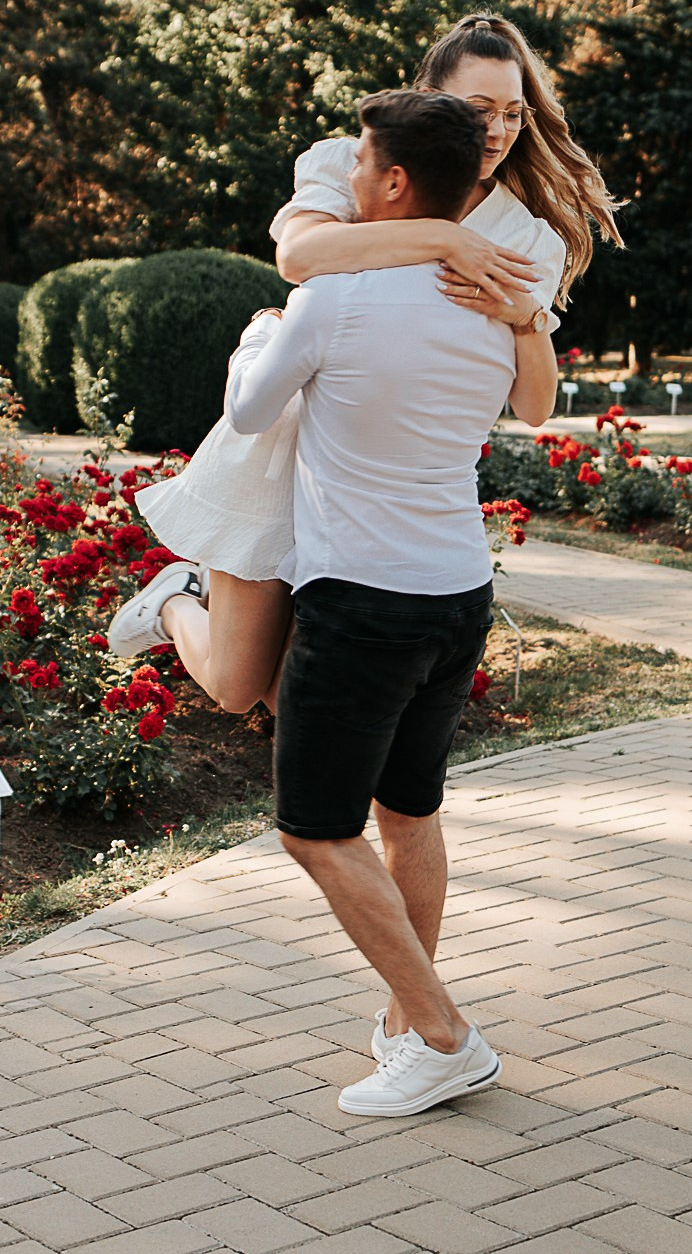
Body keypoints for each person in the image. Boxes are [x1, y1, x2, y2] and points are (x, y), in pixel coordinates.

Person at [113, 15, 622, 726]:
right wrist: (445, 235)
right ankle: (173, 600)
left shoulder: (525, 233)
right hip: (282, 448)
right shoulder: (349, 164)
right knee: (235, 684)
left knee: (305, 709)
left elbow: (532, 404)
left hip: (373, 490)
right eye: (479, 112)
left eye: (514, 113)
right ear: (432, 104)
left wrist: (525, 315)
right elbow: (299, 258)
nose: (500, 131)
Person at [224, 87, 516, 1114]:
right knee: (409, 810)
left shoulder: (332, 300)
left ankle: (440, 1033)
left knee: (314, 827)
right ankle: (407, 1024)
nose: (346, 181)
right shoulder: (488, 307)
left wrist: (260, 335)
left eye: (356, 164)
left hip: (363, 604)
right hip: (455, 594)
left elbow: (249, 409)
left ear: (394, 181)